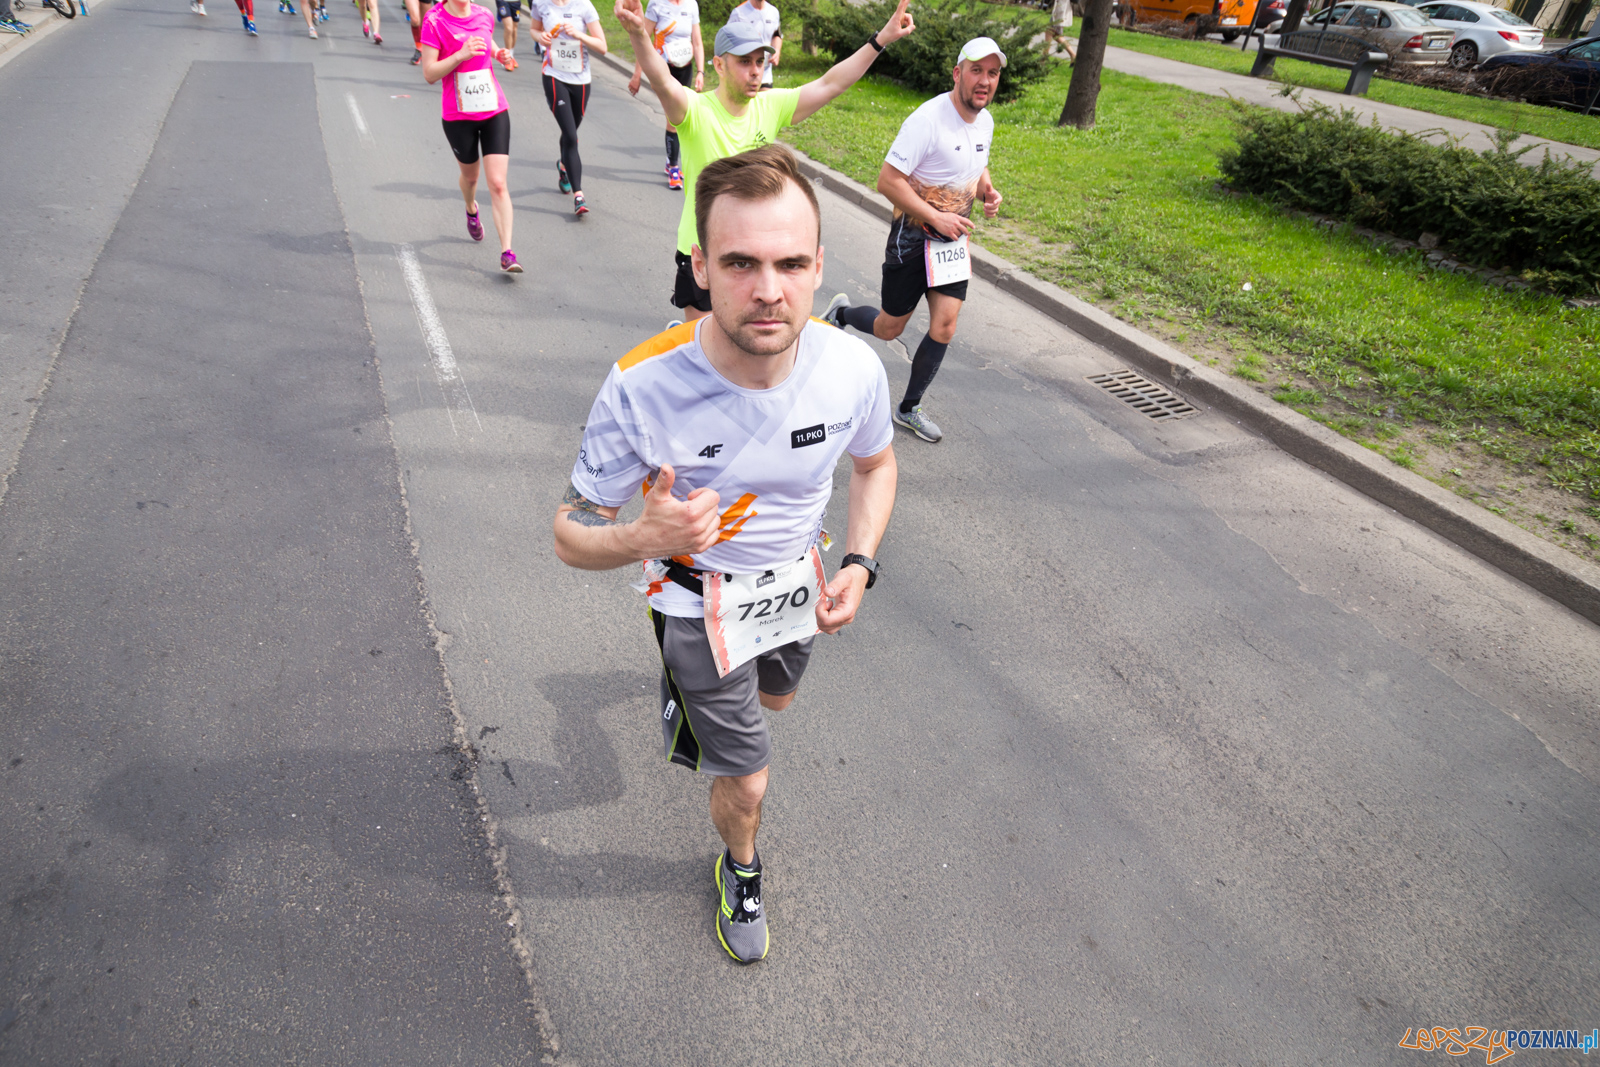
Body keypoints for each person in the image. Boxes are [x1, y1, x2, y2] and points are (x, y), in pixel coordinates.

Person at [553, 145, 897, 965]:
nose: (768, 289)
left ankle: (693, 705)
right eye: (741, 262)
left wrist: (859, 561)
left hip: (795, 588)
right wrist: (643, 538)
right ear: (700, 266)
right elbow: (569, 531)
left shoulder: (853, 369)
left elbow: (877, 463)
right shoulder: (643, 384)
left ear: (819, 268)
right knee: (748, 774)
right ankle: (741, 867)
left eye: (789, 263)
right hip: (693, 598)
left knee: (774, 705)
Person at [616, 0, 917, 324]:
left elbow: (831, 84)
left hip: (758, 253)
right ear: (719, 64)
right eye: (745, 61)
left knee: (752, 350)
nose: (756, 70)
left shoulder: (769, 106)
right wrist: (638, 33)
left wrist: (880, 40)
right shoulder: (694, 111)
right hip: (703, 254)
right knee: (709, 357)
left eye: (760, 61)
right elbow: (662, 79)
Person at [822, 37, 1004, 445]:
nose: (984, 81)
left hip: (951, 246)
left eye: (992, 73)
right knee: (889, 328)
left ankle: (908, 408)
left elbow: (977, 165)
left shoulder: (985, 121)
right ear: (957, 73)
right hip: (912, 240)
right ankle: (842, 315)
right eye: (976, 70)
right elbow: (887, 180)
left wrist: (988, 192)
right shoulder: (927, 120)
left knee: (946, 323)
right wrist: (935, 214)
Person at [420, 0, 523, 272]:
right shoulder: (434, 21)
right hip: (458, 115)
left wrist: (498, 53)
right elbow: (429, 73)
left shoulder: (484, 14)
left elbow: (486, 42)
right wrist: (459, 56)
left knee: (498, 183)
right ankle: (470, 208)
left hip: (493, 108)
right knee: (471, 177)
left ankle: (507, 253)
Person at [530, 0, 605, 216]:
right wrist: (539, 37)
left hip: (581, 79)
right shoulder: (541, 4)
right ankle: (579, 196)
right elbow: (534, 29)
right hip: (554, 76)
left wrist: (580, 35)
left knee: (571, 130)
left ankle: (563, 165)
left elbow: (602, 46)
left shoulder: (584, 6)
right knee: (571, 136)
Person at [625, 0, 703, 190]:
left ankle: (671, 161)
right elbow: (642, 40)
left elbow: (697, 42)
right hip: (664, 70)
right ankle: (674, 168)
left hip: (685, 68)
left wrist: (701, 72)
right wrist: (637, 75)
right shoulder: (656, 4)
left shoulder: (691, 4)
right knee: (673, 120)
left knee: (683, 118)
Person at [723, 0, 780, 88]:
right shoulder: (739, 13)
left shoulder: (774, 12)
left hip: (766, 73)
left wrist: (777, 51)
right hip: (745, 73)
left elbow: (777, 35)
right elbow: (727, 39)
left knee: (764, 101)